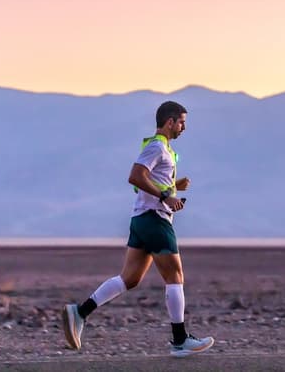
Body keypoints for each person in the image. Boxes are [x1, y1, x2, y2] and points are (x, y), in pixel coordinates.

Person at [61, 101, 214, 358]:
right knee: (175, 276)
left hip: (141, 220)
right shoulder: (156, 147)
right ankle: (179, 340)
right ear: (170, 121)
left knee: (129, 279)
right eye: (182, 122)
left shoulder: (163, 149)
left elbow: (145, 181)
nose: (184, 128)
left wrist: (174, 185)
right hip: (155, 219)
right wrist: (166, 195)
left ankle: (80, 312)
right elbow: (135, 177)